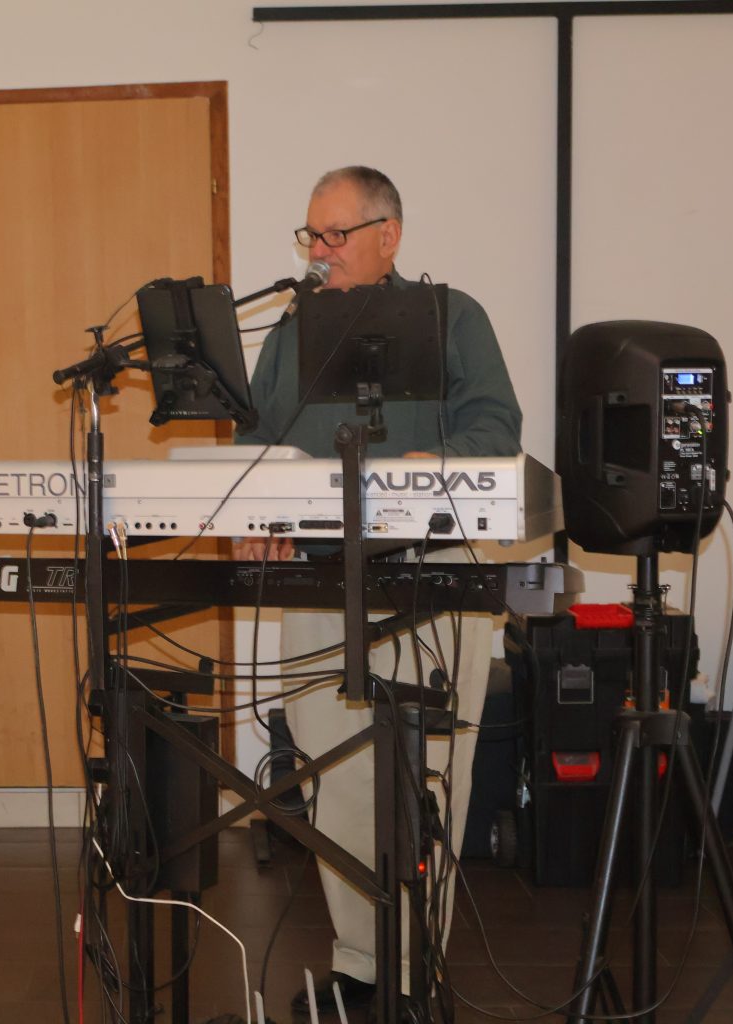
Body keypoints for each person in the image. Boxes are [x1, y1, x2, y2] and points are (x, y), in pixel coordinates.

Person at [234, 166, 522, 1019]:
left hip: (437, 576)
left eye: (336, 234)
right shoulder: (291, 331)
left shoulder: (451, 317)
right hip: (322, 577)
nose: (319, 252)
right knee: (333, 772)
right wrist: (258, 508)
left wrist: (439, 462)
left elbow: (496, 426)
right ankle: (363, 961)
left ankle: (414, 959)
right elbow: (257, 437)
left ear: (389, 235)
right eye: (311, 236)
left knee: (430, 778)